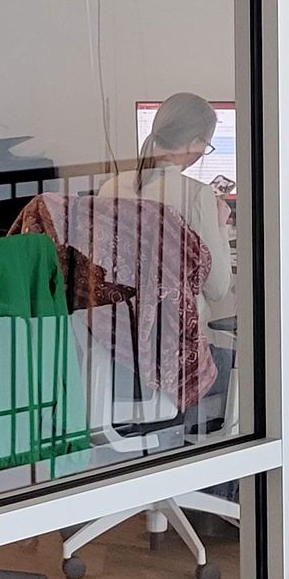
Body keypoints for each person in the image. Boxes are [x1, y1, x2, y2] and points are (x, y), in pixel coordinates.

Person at [99, 91, 234, 436]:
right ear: (193, 143)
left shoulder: (111, 188)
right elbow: (218, 288)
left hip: (115, 360)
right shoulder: (195, 196)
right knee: (243, 365)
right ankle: (222, 485)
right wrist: (219, 224)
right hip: (171, 364)